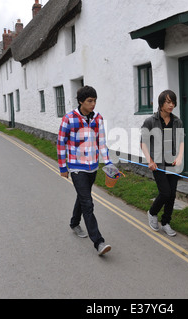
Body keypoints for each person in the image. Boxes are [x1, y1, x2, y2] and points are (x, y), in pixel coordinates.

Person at [57, 86, 112, 256]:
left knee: (83, 197)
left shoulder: (98, 119)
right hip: (76, 167)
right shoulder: (69, 119)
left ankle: (74, 223)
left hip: (93, 167)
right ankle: (99, 242)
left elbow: (101, 142)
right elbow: (61, 142)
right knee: (88, 203)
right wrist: (63, 166)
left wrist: (108, 162)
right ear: (81, 101)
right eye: (89, 101)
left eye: (95, 100)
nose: (93, 104)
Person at [140, 90, 185, 237]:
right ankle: (152, 212)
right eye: (168, 102)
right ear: (161, 103)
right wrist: (150, 160)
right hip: (157, 164)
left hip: (172, 163)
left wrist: (179, 157)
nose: (171, 105)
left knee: (171, 195)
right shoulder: (150, 121)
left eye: (173, 102)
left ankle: (166, 222)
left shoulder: (177, 121)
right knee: (165, 192)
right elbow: (144, 143)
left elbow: (181, 142)